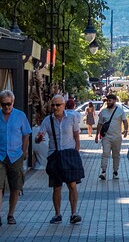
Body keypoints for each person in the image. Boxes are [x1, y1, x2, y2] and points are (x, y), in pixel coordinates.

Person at [35, 94, 84, 224]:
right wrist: (39, 138)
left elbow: (77, 137)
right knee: (56, 186)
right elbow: (39, 137)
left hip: (69, 154)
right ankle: (57, 214)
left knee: (72, 185)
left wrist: (76, 153)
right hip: (54, 155)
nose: (55, 107)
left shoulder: (72, 118)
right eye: (53, 105)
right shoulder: (47, 120)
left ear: (64, 105)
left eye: (58, 105)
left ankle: (74, 213)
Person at [0, 90, 31, 226]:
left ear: (13, 102)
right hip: (0, 155)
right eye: (3, 104)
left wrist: (23, 153)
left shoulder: (20, 116)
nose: (6, 107)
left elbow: (26, 136)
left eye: (9, 104)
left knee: (15, 186)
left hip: (15, 155)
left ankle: (11, 214)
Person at [95, 93, 128, 180]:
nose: (108, 102)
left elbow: (125, 121)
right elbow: (99, 124)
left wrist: (126, 130)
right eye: (107, 101)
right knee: (105, 153)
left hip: (117, 137)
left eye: (110, 101)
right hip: (106, 137)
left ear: (114, 101)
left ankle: (115, 172)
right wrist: (97, 135)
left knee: (116, 155)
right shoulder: (103, 111)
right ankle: (103, 171)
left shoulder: (120, 111)